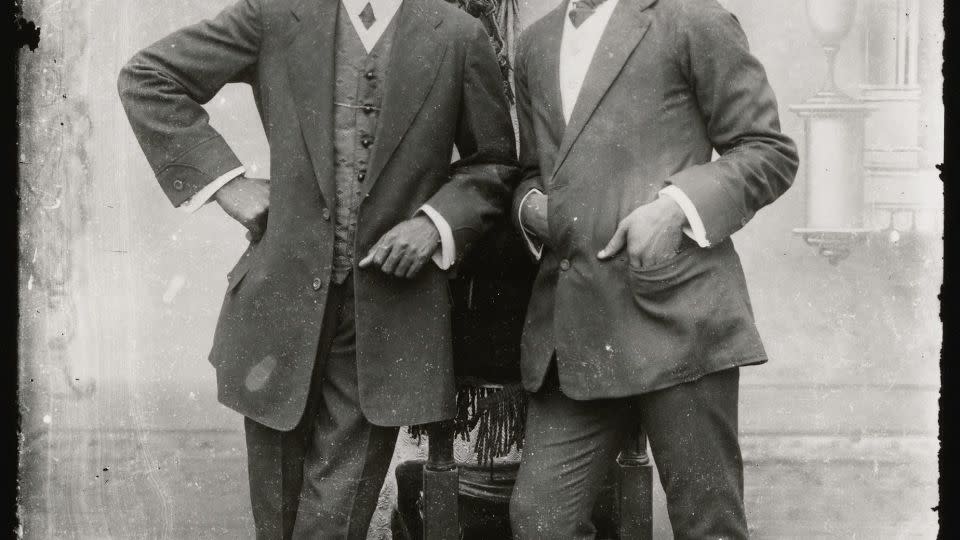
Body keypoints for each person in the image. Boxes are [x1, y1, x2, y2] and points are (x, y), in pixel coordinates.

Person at [117, 0, 518, 537]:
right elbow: (148, 76)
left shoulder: (459, 35)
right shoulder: (275, 14)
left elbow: (493, 162)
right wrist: (227, 184)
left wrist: (434, 223)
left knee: (331, 523)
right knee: (276, 520)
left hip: (387, 316)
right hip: (277, 308)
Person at [508, 0, 799, 538]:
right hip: (578, 332)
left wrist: (676, 208)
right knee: (540, 522)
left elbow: (768, 151)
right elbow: (532, 172)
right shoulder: (536, 44)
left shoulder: (694, 19)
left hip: (679, 321)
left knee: (707, 525)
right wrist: (530, 208)